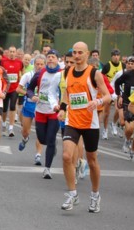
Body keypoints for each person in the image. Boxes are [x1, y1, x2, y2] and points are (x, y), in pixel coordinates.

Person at [58, 42, 110, 212]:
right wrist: (63, 109)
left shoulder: (94, 73)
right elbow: (67, 94)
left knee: (92, 160)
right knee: (66, 156)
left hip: (90, 123)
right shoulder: (68, 72)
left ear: (87, 54)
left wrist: (98, 101)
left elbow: (108, 96)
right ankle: (72, 194)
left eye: (81, 52)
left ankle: (95, 195)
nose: (77, 55)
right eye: (75, 52)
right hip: (72, 120)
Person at [26, 49, 62, 179]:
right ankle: (51, 145)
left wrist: (62, 105)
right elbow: (29, 89)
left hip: (54, 111)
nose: (51, 59)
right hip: (40, 109)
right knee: (42, 139)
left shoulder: (61, 74)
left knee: (51, 139)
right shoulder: (41, 73)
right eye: (49, 57)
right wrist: (32, 96)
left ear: (58, 59)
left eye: (53, 57)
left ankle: (47, 168)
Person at [17, 55, 45, 165]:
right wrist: (29, 94)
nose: (39, 66)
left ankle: (38, 155)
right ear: (34, 64)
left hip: (41, 107)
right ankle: (25, 139)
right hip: (29, 105)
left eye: (42, 64)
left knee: (39, 132)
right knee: (25, 131)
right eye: (37, 64)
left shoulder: (48, 76)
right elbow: (18, 88)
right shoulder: (28, 75)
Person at [0, 46, 24, 137]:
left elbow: (22, 72)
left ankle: (11, 127)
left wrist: (21, 81)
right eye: (10, 51)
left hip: (14, 88)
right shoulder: (3, 61)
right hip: (5, 88)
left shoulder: (19, 62)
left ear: (16, 53)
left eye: (14, 52)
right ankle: (3, 123)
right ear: (8, 52)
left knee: (13, 106)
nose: (12, 53)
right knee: (5, 108)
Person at [101, 49, 123, 139]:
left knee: (119, 110)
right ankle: (105, 130)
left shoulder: (123, 65)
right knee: (106, 112)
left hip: (118, 91)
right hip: (108, 90)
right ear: (112, 56)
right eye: (114, 55)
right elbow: (101, 78)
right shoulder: (107, 66)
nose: (116, 57)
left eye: (118, 55)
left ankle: (113, 123)